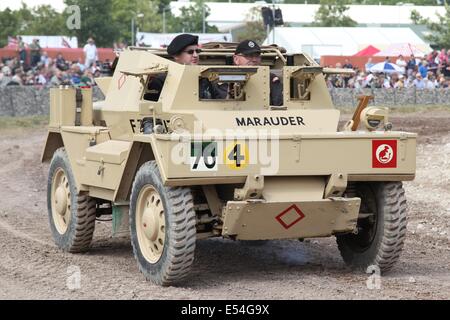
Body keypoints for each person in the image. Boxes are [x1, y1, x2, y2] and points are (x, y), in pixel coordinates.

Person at [145, 33, 215, 101]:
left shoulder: (205, 78)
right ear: (176, 56)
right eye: (190, 52)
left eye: (197, 51)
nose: (195, 55)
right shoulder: (161, 81)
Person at [215, 40, 283, 106]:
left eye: (257, 56)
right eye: (248, 56)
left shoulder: (269, 78)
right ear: (236, 59)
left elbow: (278, 104)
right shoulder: (223, 78)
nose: (254, 60)